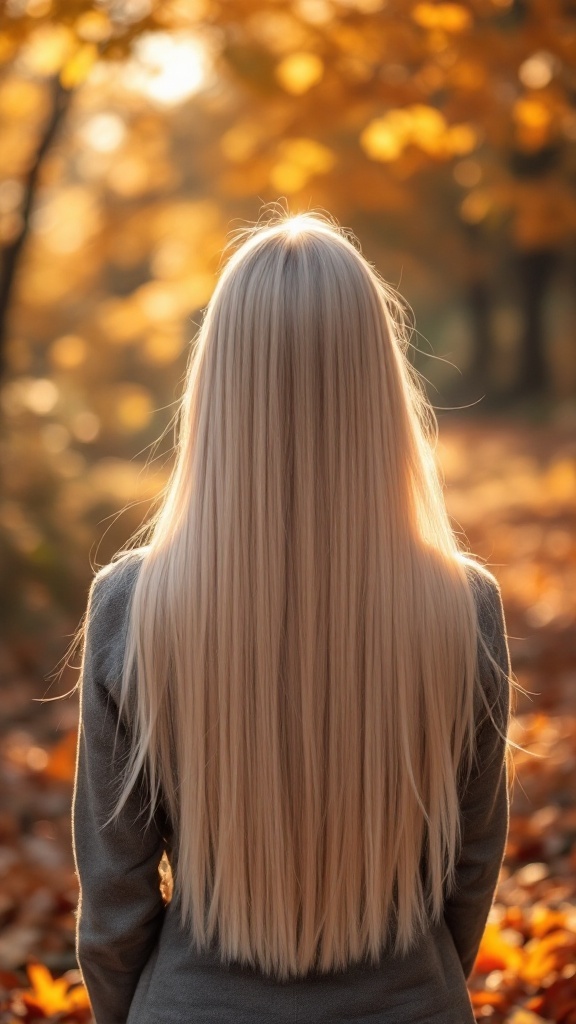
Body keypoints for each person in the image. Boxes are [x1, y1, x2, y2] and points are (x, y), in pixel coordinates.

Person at [71, 210, 514, 1024]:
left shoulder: (131, 607)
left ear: (218, 386)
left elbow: (115, 903)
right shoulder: (463, 608)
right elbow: (471, 869)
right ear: (378, 385)